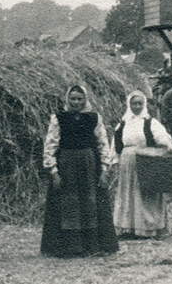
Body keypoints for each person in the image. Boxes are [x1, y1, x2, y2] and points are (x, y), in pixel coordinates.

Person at [41, 85, 118, 257]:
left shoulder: (94, 118)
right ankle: (70, 247)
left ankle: (91, 246)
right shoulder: (59, 118)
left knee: (90, 203)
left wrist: (104, 170)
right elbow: (50, 145)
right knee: (69, 204)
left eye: (79, 99)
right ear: (67, 99)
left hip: (89, 166)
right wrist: (54, 171)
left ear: (85, 100)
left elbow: (103, 144)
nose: (76, 102)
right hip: (66, 166)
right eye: (73, 99)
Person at [113, 90, 172, 239]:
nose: (137, 106)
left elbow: (162, 137)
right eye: (134, 103)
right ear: (129, 104)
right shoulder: (123, 124)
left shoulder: (150, 122)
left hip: (146, 161)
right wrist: (116, 162)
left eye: (140, 103)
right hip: (127, 163)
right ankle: (128, 229)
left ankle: (148, 229)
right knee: (128, 195)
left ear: (144, 105)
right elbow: (116, 145)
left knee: (146, 195)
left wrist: (168, 145)